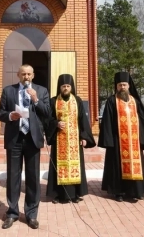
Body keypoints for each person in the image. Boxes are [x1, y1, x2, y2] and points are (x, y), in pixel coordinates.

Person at [0, 64, 50, 229]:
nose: (26, 77)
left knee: (33, 178)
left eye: (28, 74)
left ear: (33, 75)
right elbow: (0, 113)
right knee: (13, 177)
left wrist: (36, 100)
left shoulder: (41, 91)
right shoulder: (8, 91)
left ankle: (31, 214)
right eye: (23, 74)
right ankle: (12, 213)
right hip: (15, 138)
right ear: (18, 75)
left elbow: (47, 112)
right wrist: (10, 115)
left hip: (32, 139)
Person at [98, 71, 144, 202]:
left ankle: (136, 191)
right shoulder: (111, 101)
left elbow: (143, 118)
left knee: (135, 165)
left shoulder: (135, 101)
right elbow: (107, 121)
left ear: (129, 86)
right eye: (120, 85)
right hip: (118, 141)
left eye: (124, 85)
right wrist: (109, 140)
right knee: (117, 167)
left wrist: (142, 137)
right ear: (116, 86)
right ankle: (119, 192)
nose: (122, 87)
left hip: (134, 141)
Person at [45, 74, 96, 204]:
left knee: (75, 166)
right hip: (59, 140)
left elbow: (82, 120)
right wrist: (56, 123)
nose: (66, 88)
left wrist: (84, 137)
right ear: (59, 87)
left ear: (71, 87)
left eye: (68, 86)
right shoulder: (53, 101)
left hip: (74, 140)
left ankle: (75, 194)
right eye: (63, 86)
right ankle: (58, 195)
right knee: (58, 166)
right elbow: (47, 119)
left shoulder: (77, 100)